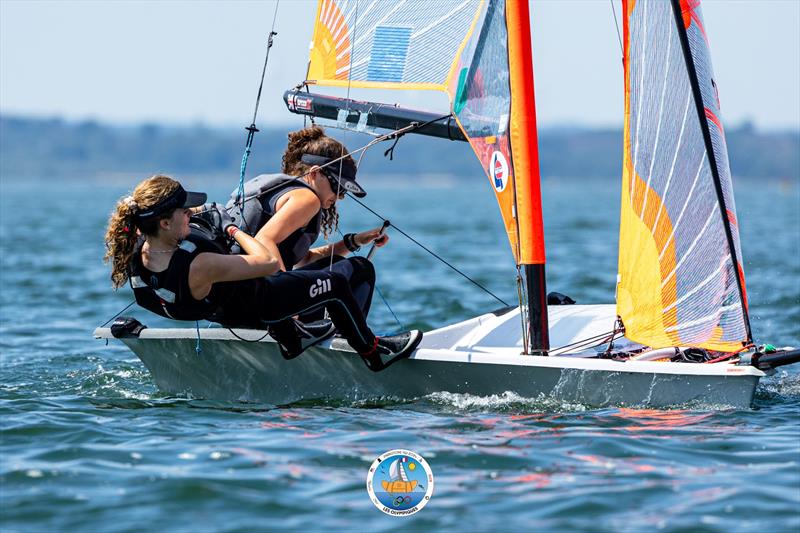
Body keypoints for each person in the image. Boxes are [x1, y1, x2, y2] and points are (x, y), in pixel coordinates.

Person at [104, 174, 422, 372]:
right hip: (261, 305)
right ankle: (372, 353)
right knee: (337, 283)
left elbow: (159, 280)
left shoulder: (139, 250)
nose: (191, 213)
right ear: (164, 222)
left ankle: (293, 339)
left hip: (224, 312)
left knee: (264, 284)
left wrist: (199, 221)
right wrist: (230, 229)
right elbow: (268, 260)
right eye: (184, 211)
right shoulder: (199, 265)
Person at [225, 126, 386, 320]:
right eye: (338, 186)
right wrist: (286, 302)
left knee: (336, 264)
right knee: (361, 268)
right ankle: (347, 341)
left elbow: (305, 260)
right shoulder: (306, 198)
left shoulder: (279, 191)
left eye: (345, 191)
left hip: (234, 303)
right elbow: (264, 240)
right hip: (263, 304)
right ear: (315, 173)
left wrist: (354, 242)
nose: (340, 196)